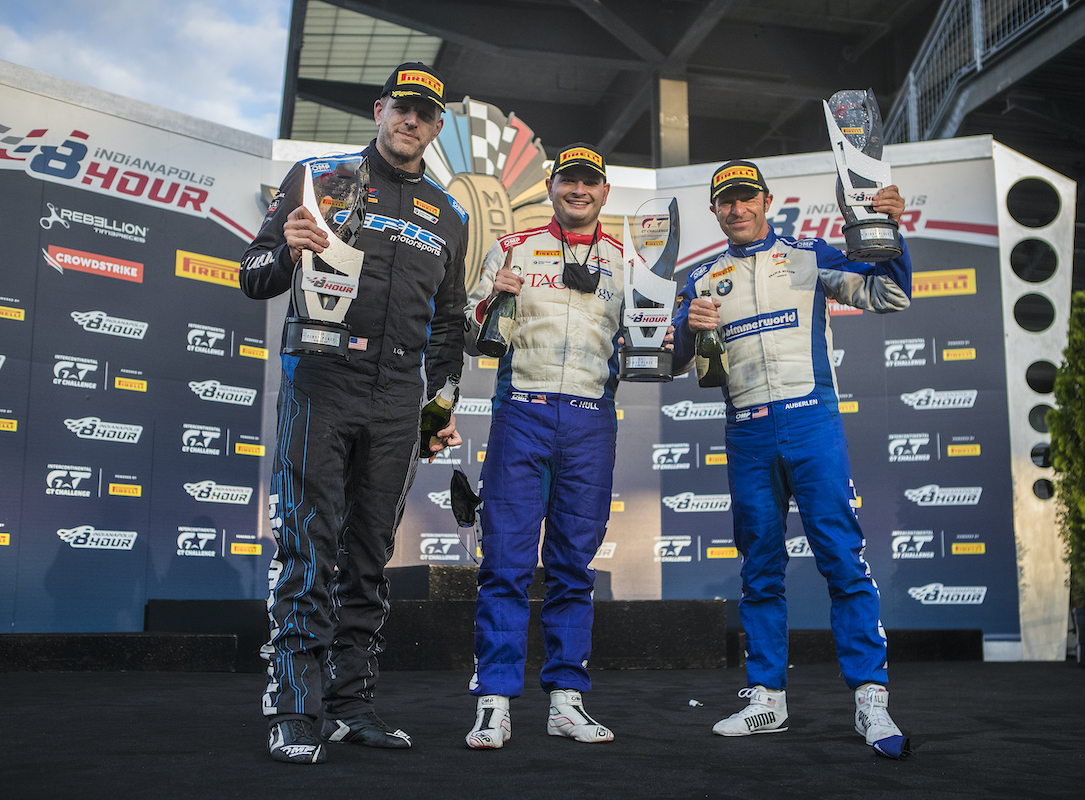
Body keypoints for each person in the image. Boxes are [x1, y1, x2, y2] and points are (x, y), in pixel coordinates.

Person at [240, 62, 468, 765]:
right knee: (311, 546)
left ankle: (350, 706)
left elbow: (451, 323)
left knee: (370, 557)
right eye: (402, 109)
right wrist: (288, 249)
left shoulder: (449, 213)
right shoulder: (319, 177)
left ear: (436, 128)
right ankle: (293, 708)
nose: (411, 122)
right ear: (379, 110)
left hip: (400, 399)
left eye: (425, 115)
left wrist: (440, 407)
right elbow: (253, 275)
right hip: (323, 381)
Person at [671, 160, 914, 759]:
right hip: (746, 430)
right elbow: (672, 359)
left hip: (812, 422)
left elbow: (890, 294)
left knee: (840, 556)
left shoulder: (810, 255)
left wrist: (889, 233)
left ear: (766, 200)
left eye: (745, 198)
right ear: (714, 211)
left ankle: (870, 698)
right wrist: (685, 327)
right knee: (760, 565)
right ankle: (766, 699)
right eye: (725, 202)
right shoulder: (702, 275)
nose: (737, 209)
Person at [462, 143, 671, 749]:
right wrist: (491, 297)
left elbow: (653, 343)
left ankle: (566, 702)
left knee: (572, 568)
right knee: (504, 562)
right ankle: (494, 701)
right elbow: (478, 338)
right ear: (552, 186)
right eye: (569, 181)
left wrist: (678, 324)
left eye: (590, 182)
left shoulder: (631, 262)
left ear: (605, 192)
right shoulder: (512, 248)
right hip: (521, 412)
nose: (579, 190)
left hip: (589, 419)